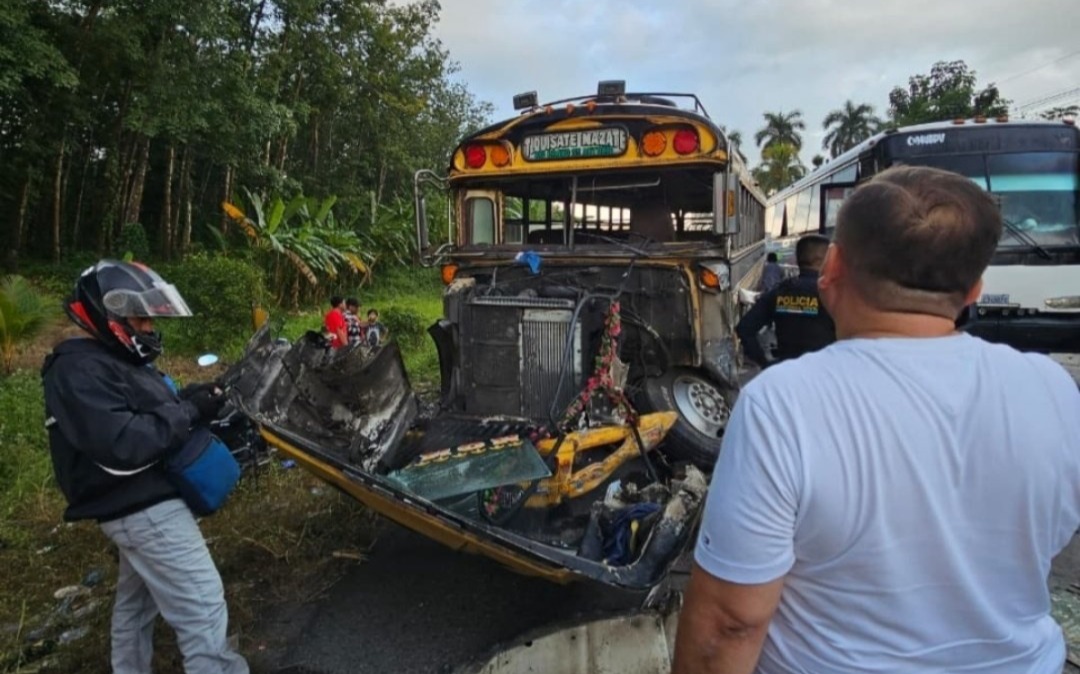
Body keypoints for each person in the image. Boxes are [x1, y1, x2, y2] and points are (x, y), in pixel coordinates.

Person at [672, 166, 1080, 674]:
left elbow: (731, 623)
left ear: (834, 267)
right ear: (975, 289)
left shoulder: (781, 404)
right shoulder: (1054, 389)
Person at [41, 259, 249, 674]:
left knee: (135, 609)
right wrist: (188, 411)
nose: (149, 329)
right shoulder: (77, 368)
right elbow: (125, 442)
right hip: (143, 508)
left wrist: (188, 400)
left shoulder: (109, 361)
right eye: (140, 319)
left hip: (136, 507)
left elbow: (145, 411)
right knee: (203, 606)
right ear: (109, 315)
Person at [735, 234, 834, 369]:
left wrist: (765, 363)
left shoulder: (780, 292)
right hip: (823, 374)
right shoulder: (832, 295)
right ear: (819, 261)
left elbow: (744, 329)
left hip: (787, 373)